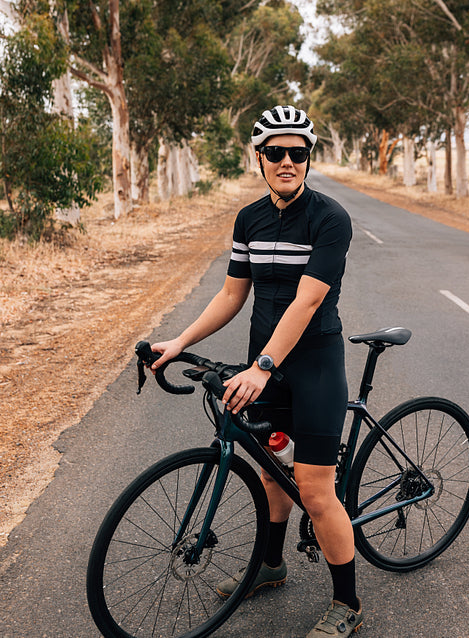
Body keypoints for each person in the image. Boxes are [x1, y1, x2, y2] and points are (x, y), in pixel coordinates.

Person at [150, 105, 362, 637]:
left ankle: (348, 604)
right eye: (276, 152)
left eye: (297, 153)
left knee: (314, 490)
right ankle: (270, 566)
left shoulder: (330, 218)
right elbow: (230, 294)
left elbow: (308, 301)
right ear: (260, 158)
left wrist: (263, 365)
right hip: (267, 365)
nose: (287, 161)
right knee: (270, 469)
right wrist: (180, 340)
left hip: (311, 364)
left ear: (308, 159)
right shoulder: (250, 219)